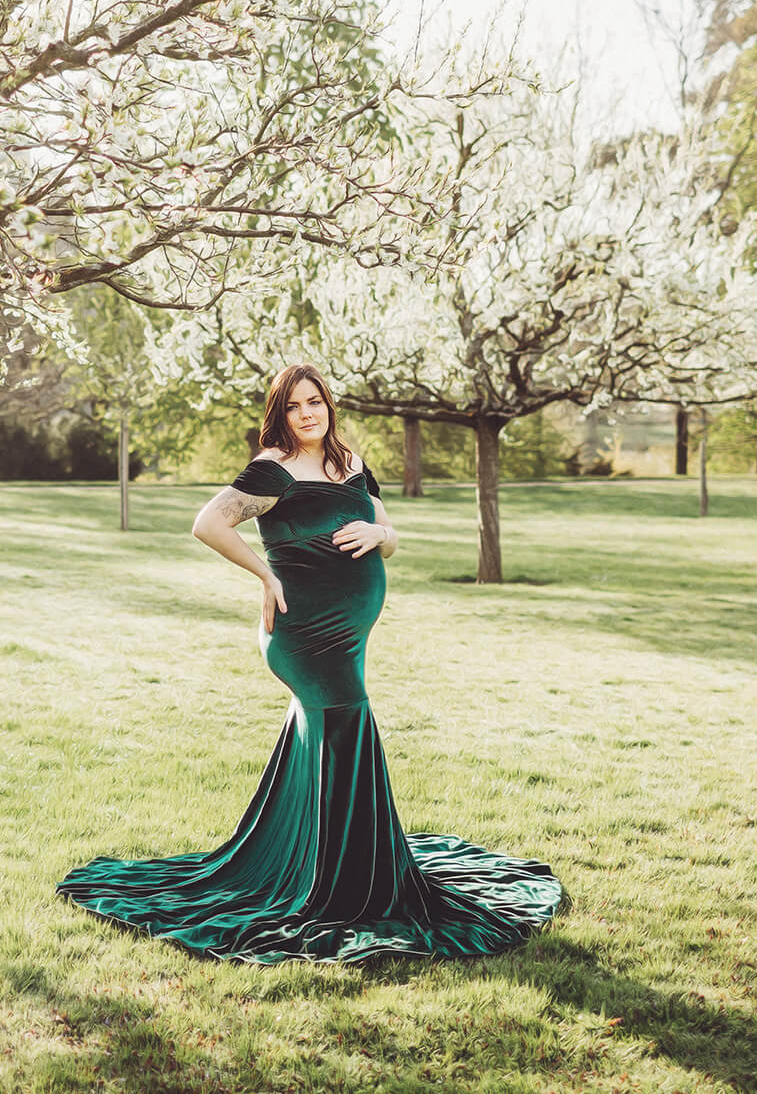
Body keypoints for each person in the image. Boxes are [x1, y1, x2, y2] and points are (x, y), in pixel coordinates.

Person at [55, 363, 564, 964]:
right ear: (281, 412)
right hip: (304, 636)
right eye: (294, 405)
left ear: (329, 405)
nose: (307, 413)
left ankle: (327, 861)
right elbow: (207, 522)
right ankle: (335, 885)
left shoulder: (350, 464)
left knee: (336, 735)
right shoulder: (273, 468)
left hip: (348, 635)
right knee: (346, 725)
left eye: (315, 401)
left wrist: (381, 539)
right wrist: (264, 573)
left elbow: (388, 532)